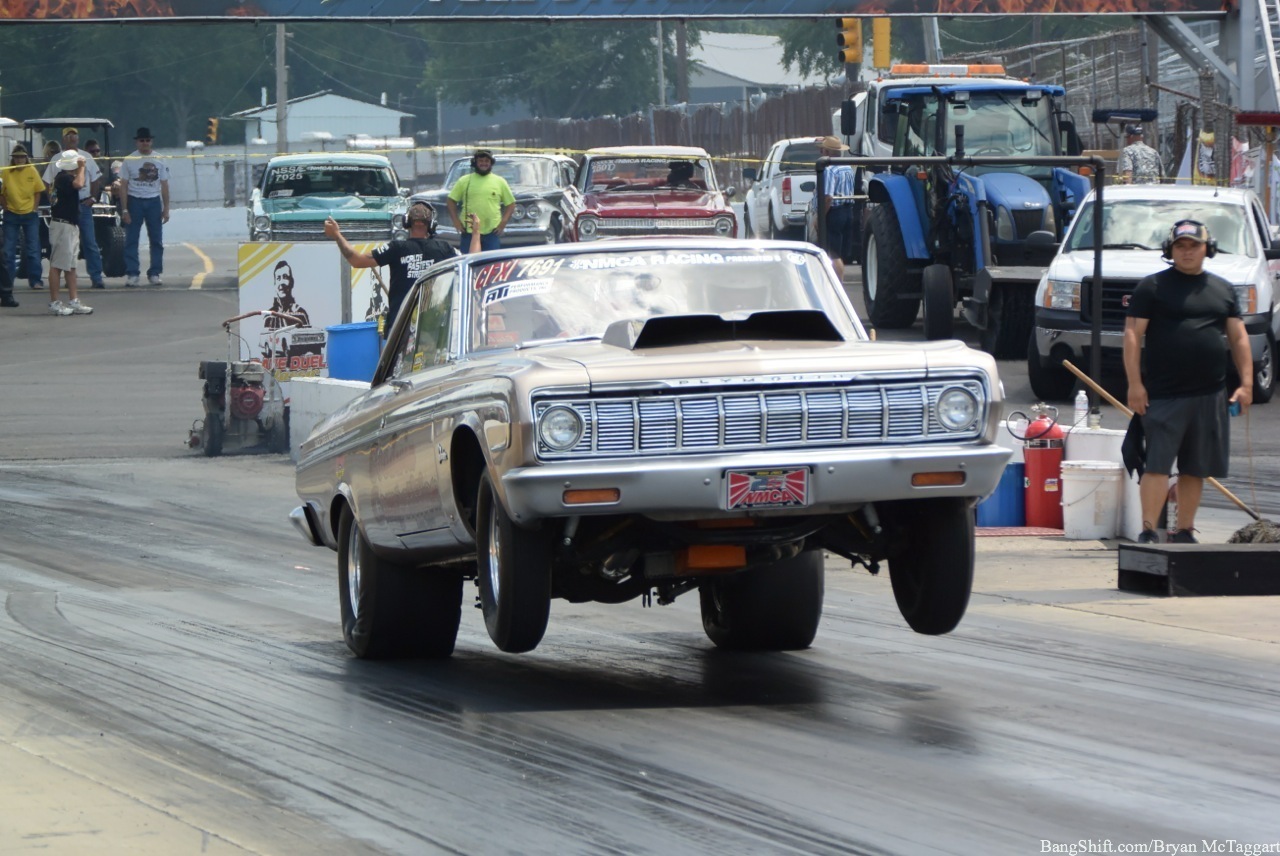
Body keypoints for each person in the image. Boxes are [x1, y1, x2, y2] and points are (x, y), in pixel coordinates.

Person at [1124, 220, 1251, 544]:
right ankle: (1149, 530)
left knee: (1196, 468)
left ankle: (1184, 531)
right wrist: (1135, 385)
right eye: (1180, 246)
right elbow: (1132, 335)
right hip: (1164, 394)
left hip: (1210, 393)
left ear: (1207, 248)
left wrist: (1246, 384)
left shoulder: (1223, 289)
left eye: (1194, 245)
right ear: (1171, 250)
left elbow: (1238, 338)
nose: (1187, 251)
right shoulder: (1151, 287)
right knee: (1157, 465)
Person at [324, 204, 470, 327]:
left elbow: (356, 260)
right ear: (431, 225)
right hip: (435, 326)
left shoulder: (395, 248)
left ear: (406, 223)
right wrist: (476, 233)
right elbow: (470, 261)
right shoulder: (443, 248)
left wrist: (337, 235)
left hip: (400, 327)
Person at [42, 127, 106, 289]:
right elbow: (46, 182)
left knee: (89, 241)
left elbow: (96, 179)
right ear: (64, 139)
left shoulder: (86, 157)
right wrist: (52, 199)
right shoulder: (56, 158)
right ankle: (69, 277)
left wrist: (93, 197)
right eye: (68, 135)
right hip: (65, 207)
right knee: (66, 243)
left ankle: (96, 276)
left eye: (74, 135)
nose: (71, 138)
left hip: (83, 204)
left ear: (78, 138)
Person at [119, 127, 171, 287]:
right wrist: (125, 209)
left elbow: (164, 185)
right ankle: (132, 272)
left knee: (156, 239)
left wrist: (166, 208)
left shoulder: (160, 159)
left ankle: (154, 272)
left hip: (153, 201)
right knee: (131, 239)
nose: (145, 143)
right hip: (135, 201)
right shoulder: (129, 160)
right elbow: (123, 186)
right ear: (137, 142)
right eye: (142, 140)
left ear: (151, 141)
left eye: (147, 140)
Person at [46, 150, 94, 316]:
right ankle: (54, 302)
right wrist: (81, 168)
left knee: (71, 265)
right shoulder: (63, 178)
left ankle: (73, 300)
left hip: (71, 225)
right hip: (62, 225)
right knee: (58, 264)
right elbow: (79, 184)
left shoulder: (64, 178)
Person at [447, 148, 515, 253]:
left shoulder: (500, 181)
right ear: (475, 163)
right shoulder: (464, 181)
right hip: (469, 233)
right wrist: (456, 221)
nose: (484, 163)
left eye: (487, 161)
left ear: (491, 163)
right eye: (481, 161)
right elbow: (451, 201)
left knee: (491, 265)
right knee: (470, 263)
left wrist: (503, 223)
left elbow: (511, 204)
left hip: (492, 233)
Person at [2, 144, 46, 298]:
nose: (19, 159)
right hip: (11, 214)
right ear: (13, 159)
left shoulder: (32, 170)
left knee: (33, 249)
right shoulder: (6, 172)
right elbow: (1, 192)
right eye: (17, 157)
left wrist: (34, 208)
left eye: (22, 156)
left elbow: (38, 192)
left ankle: (35, 280)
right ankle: (8, 282)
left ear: (26, 158)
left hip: (29, 214)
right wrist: (5, 207)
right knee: (8, 251)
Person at [818, 135, 856, 280]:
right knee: (839, 252)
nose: (821, 153)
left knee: (833, 253)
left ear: (827, 153)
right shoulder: (847, 168)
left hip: (834, 213)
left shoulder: (829, 170)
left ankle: (837, 283)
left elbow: (828, 197)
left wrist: (820, 217)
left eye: (822, 150)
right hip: (848, 211)